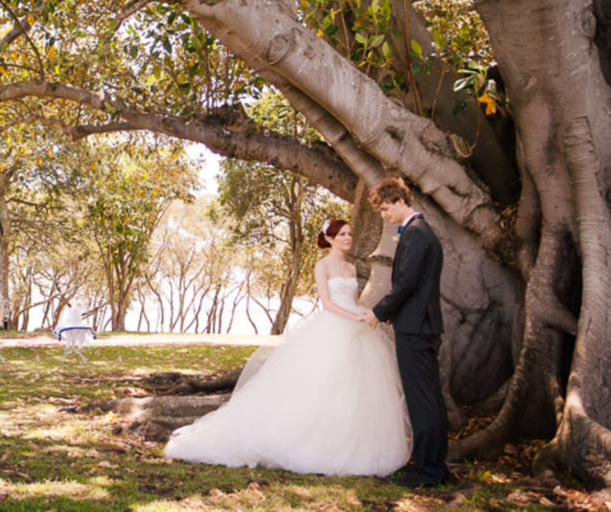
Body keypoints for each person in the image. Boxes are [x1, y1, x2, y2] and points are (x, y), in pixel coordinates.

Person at [164, 219, 411, 476]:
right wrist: (355, 317)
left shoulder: (350, 267)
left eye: (350, 233)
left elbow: (355, 301)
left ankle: (349, 443)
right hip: (333, 329)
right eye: (342, 234)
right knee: (321, 385)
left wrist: (372, 313)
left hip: (357, 331)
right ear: (330, 239)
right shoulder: (322, 265)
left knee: (355, 388)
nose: (348, 238)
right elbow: (327, 303)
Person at [362, 177, 450, 487]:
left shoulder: (416, 234)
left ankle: (428, 473)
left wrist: (378, 312)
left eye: (386, 209)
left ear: (401, 201)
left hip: (415, 329)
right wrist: (394, 313)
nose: (384, 215)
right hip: (419, 323)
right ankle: (436, 466)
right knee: (431, 399)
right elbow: (414, 287)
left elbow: (406, 284)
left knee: (421, 400)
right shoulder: (419, 232)